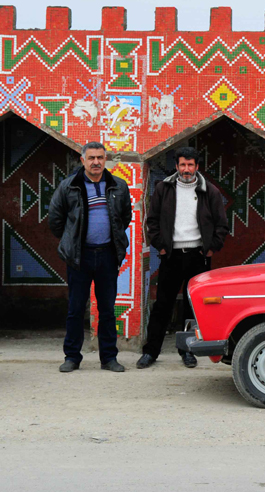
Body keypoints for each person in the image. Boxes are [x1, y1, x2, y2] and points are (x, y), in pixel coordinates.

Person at [139, 146, 229, 368]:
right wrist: (160, 246)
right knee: (162, 304)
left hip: (198, 255)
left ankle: (187, 351)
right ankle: (151, 351)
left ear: (197, 166)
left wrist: (210, 249)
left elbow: (222, 224)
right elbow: (152, 221)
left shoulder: (210, 191)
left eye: (190, 165)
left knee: (192, 306)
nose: (186, 169)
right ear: (177, 166)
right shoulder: (164, 188)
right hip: (170, 255)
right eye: (182, 165)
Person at [48, 142, 132, 373]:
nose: (96, 162)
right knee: (75, 309)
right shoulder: (69, 186)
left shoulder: (118, 186)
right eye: (92, 157)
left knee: (107, 309)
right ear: (82, 159)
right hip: (79, 257)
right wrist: (71, 239)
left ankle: (109, 358)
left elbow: (124, 217)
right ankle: (72, 357)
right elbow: (55, 219)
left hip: (107, 255)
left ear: (106, 160)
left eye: (100, 158)